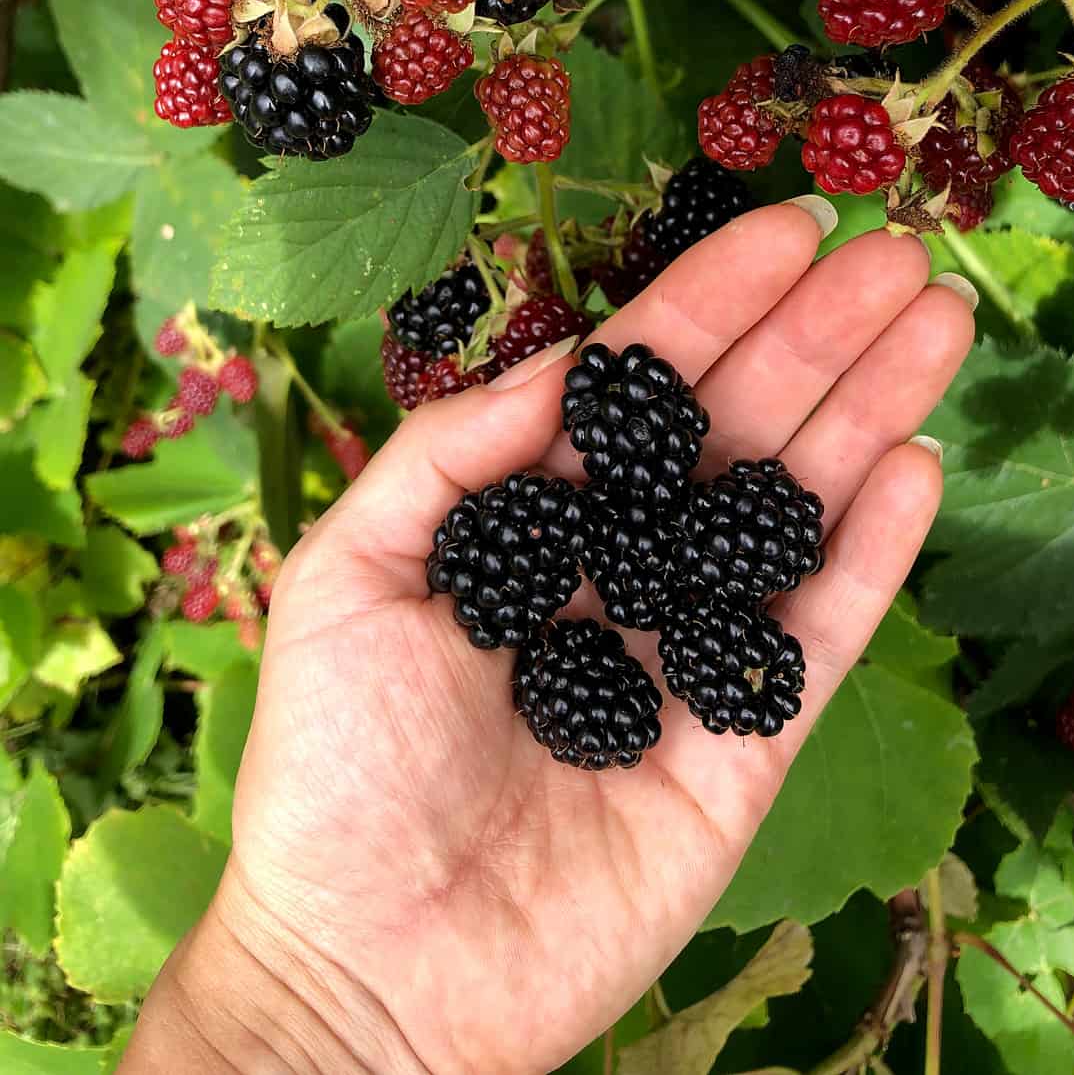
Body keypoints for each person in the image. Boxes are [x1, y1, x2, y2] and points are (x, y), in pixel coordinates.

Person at [119, 198, 976, 1075]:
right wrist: (312, 986)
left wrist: (315, 1002)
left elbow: (666, 573)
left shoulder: (636, 555)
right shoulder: (590, 571)